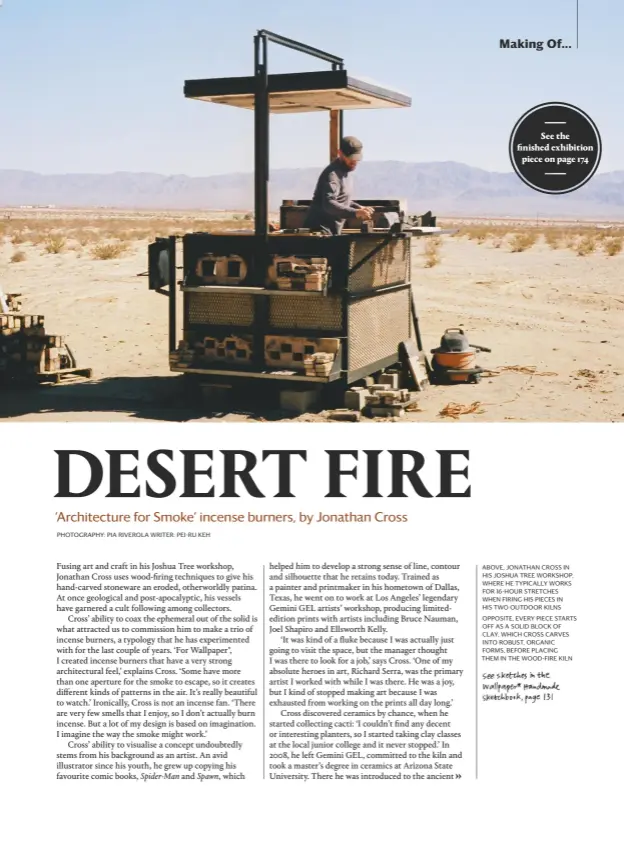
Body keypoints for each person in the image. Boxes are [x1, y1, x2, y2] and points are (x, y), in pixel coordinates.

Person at [304, 136, 375, 234]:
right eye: (351, 158)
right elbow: (329, 204)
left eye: (356, 158)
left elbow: (342, 200)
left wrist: (359, 207)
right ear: (340, 154)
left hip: (332, 232)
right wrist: (355, 213)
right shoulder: (332, 175)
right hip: (320, 232)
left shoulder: (346, 172)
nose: (354, 161)